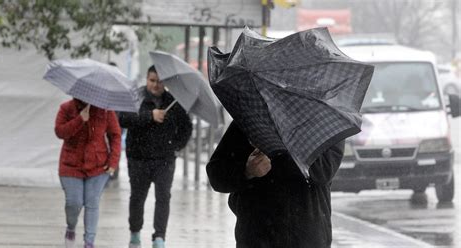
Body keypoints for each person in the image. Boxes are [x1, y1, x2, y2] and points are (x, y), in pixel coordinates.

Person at [206, 121, 345, 248]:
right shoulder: (251, 120)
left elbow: (323, 170)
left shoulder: (326, 123)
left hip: (307, 236)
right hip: (256, 234)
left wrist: (275, 150)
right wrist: (246, 170)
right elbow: (217, 174)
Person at [118, 65, 192, 248]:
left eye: (159, 81)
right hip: (138, 158)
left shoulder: (173, 101)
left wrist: (176, 146)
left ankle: (159, 237)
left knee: (163, 197)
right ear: (146, 79)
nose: (155, 85)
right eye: (152, 80)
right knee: (137, 197)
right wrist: (150, 116)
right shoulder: (136, 98)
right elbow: (123, 119)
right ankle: (135, 232)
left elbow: (186, 127)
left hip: (164, 159)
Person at [54, 98, 122, 248]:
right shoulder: (66, 108)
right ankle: (71, 228)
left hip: (98, 166)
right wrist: (80, 120)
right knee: (74, 203)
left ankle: (89, 242)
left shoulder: (105, 110)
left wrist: (113, 162)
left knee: (92, 202)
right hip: (71, 165)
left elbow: (115, 135)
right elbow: (59, 132)